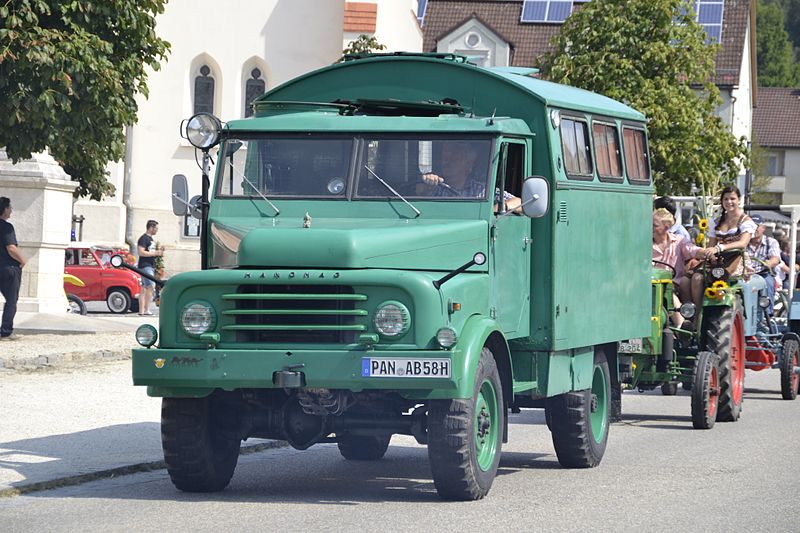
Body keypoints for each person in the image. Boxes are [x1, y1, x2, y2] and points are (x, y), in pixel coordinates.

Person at [691, 186, 755, 312]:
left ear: (739, 200)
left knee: (722, 279)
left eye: (732, 198)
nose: (729, 202)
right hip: (719, 260)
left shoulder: (745, 221)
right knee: (694, 278)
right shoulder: (716, 221)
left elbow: (742, 243)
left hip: (736, 259)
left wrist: (720, 247)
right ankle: (697, 314)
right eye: (725, 199)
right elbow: (711, 245)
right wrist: (710, 255)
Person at [418, 141, 521, 211]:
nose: (447, 160)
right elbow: (418, 194)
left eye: (454, 157)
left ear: (469, 164)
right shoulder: (435, 188)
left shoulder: (481, 190)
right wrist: (426, 185)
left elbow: (520, 202)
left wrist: (500, 207)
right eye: (445, 156)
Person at [652, 208, 711, 327]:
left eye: (654, 225)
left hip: (673, 286)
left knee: (667, 292)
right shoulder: (644, 243)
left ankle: (682, 326)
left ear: (666, 227)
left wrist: (706, 252)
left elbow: (693, 250)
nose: (650, 228)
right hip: (650, 287)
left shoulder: (679, 241)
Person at [0, 197, 27, 341]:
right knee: (11, 300)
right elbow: (11, 248)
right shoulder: (6, 227)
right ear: (4, 210)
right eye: (9, 208)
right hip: (7, 267)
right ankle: (5, 331)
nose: (11, 211)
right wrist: (22, 260)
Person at [746, 214, 781, 315]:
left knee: (768, 282)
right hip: (745, 275)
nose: (754, 229)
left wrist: (768, 263)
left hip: (763, 274)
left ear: (763, 228)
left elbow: (776, 258)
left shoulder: (771, 242)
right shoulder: (742, 242)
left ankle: (768, 315)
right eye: (751, 226)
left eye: (757, 226)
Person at [137, 220, 163, 316]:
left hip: (150, 265)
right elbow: (141, 252)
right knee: (150, 286)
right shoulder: (144, 239)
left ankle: (141, 311)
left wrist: (158, 254)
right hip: (145, 265)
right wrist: (155, 253)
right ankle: (146, 309)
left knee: (144, 288)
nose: (156, 230)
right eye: (156, 228)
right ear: (151, 228)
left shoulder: (151, 240)